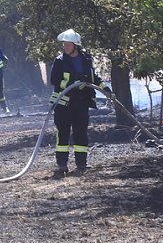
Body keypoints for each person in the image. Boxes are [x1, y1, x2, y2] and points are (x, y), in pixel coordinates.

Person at [49, 29, 114, 178]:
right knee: (63, 134)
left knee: (81, 134)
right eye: (64, 44)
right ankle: (62, 165)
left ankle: (81, 164)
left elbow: (93, 77)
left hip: (82, 103)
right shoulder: (59, 61)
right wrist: (72, 83)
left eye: (68, 44)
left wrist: (106, 88)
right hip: (64, 104)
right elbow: (54, 81)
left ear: (75, 45)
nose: (65, 47)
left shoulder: (86, 59)